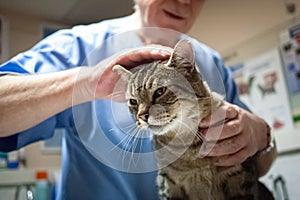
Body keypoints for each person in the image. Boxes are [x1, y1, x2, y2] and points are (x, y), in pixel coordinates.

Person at [0, 0, 276, 199]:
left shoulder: (210, 62)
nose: (184, 2)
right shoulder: (80, 46)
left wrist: (262, 135)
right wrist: (85, 82)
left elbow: (259, 167)